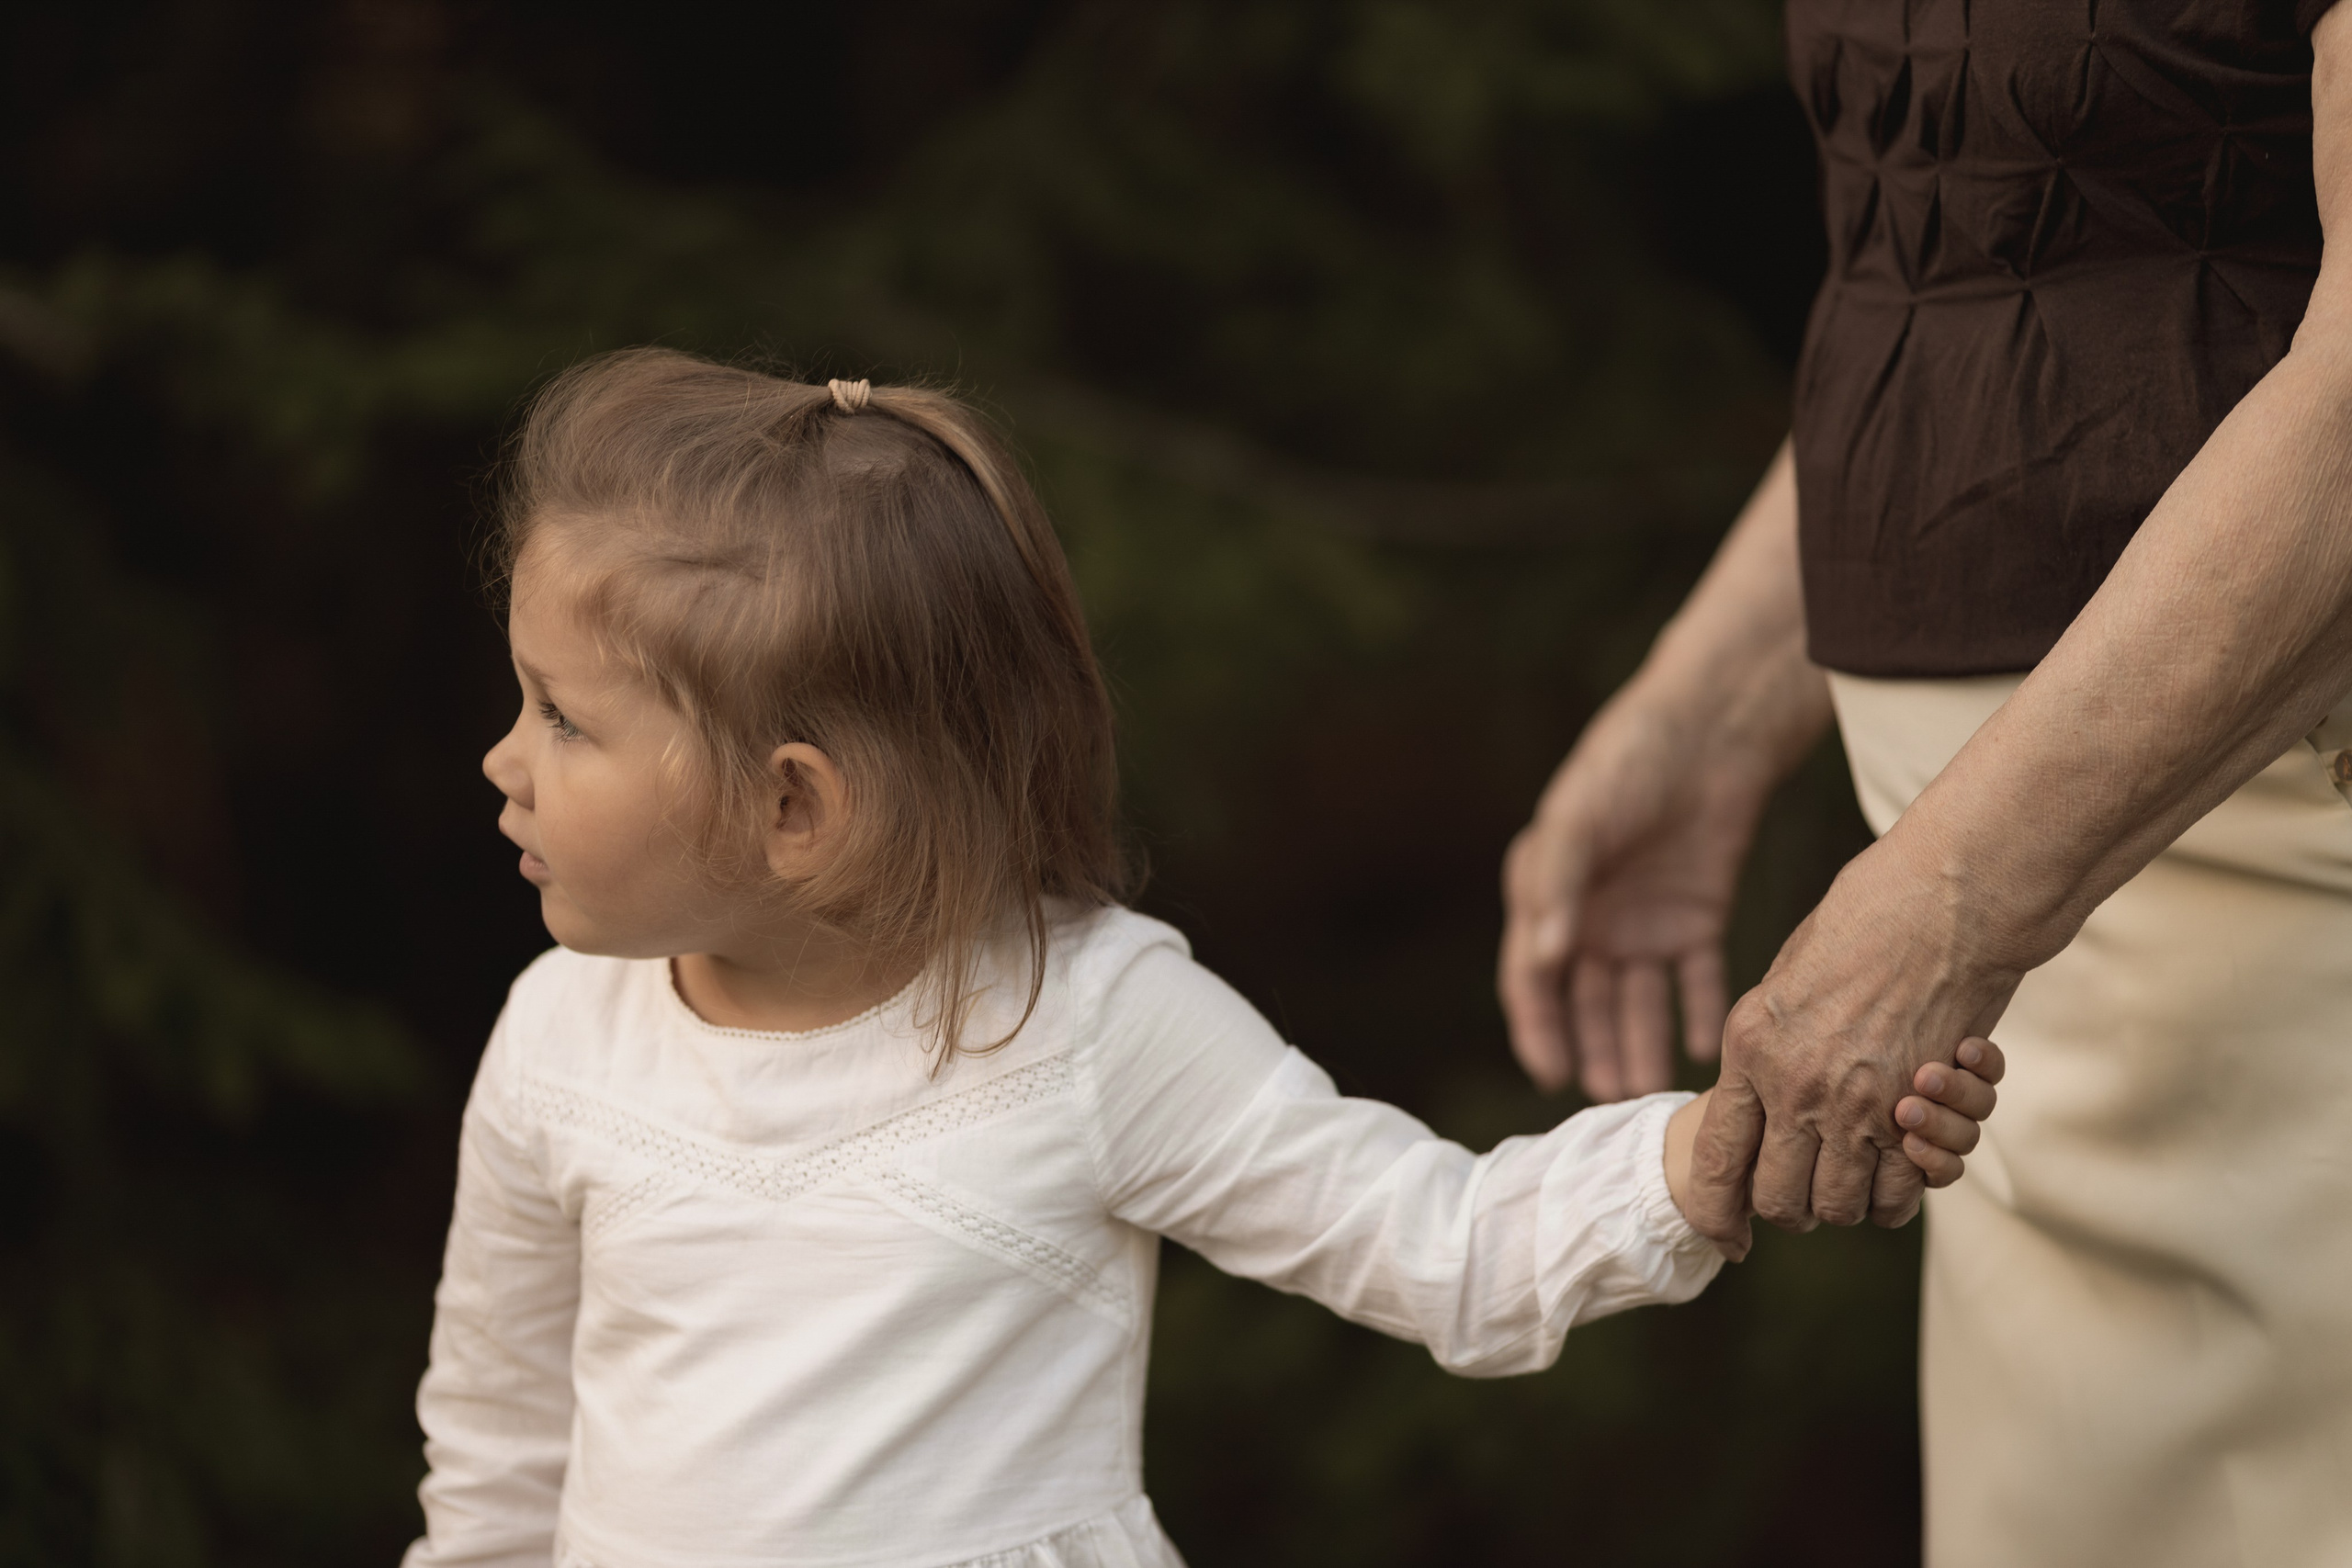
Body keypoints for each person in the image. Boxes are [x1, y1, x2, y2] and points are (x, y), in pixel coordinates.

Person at [400, 347, 1990, 1567]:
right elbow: (495, 1451)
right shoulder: (562, 1039)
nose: (503, 760)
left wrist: (1708, 1154)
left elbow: (1437, 1244)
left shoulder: (1083, 1025)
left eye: (564, 717)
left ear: (794, 805)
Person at [1500, 5, 2352, 1564]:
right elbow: (1979, 249)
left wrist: (1952, 904)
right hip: (2016, 1015)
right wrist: (1707, 708)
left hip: (2284, 904)